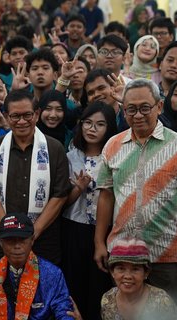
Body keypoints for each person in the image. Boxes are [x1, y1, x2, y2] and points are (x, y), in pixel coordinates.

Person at [94, 78, 177, 316]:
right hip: (123, 255)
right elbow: (106, 196)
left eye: (145, 107)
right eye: (131, 109)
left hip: (167, 255)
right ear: (124, 110)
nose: (138, 115)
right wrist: (99, 242)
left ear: (159, 106)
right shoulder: (112, 145)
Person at [0, 89, 71, 265]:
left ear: (36, 114)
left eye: (27, 115)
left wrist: (34, 231)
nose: (21, 121)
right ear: (6, 116)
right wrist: (10, 232)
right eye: (15, 116)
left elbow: (60, 195)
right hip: (3, 241)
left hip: (43, 240)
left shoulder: (54, 148)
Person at [62, 102, 118, 320]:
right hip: (74, 229)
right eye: (88, 122)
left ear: (109, 128)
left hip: (106, 230)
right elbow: (61, 203)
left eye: (100, 124)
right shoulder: (70, 156)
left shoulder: (114, 155)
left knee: (100, 287)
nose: (92, 129)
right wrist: (78, 188)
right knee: (74, 286)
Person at [0, 213, 74, 320]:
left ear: (32, 240)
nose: (17, 246)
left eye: (22, 239)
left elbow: (64, 312)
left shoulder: (52, 274)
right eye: (10, 240)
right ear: (1, 243)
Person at [101, 238, 177, 320]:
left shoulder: (161, 301)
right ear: (112, 272)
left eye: (135, 269)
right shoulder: (108, 300)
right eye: (121, 269)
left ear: (146, 272)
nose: (128, 276)